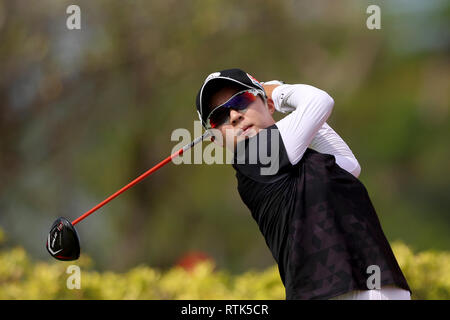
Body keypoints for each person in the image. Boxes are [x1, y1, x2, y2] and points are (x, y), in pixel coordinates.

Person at [195, 68, 412, 300]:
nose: (235, 116)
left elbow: (349, 166)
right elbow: (320, 101)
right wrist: (278, 91)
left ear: (267, 105)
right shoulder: (254, 158)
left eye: (241, 100)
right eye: (219, 117)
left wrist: (282, 105)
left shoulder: (298, 160)